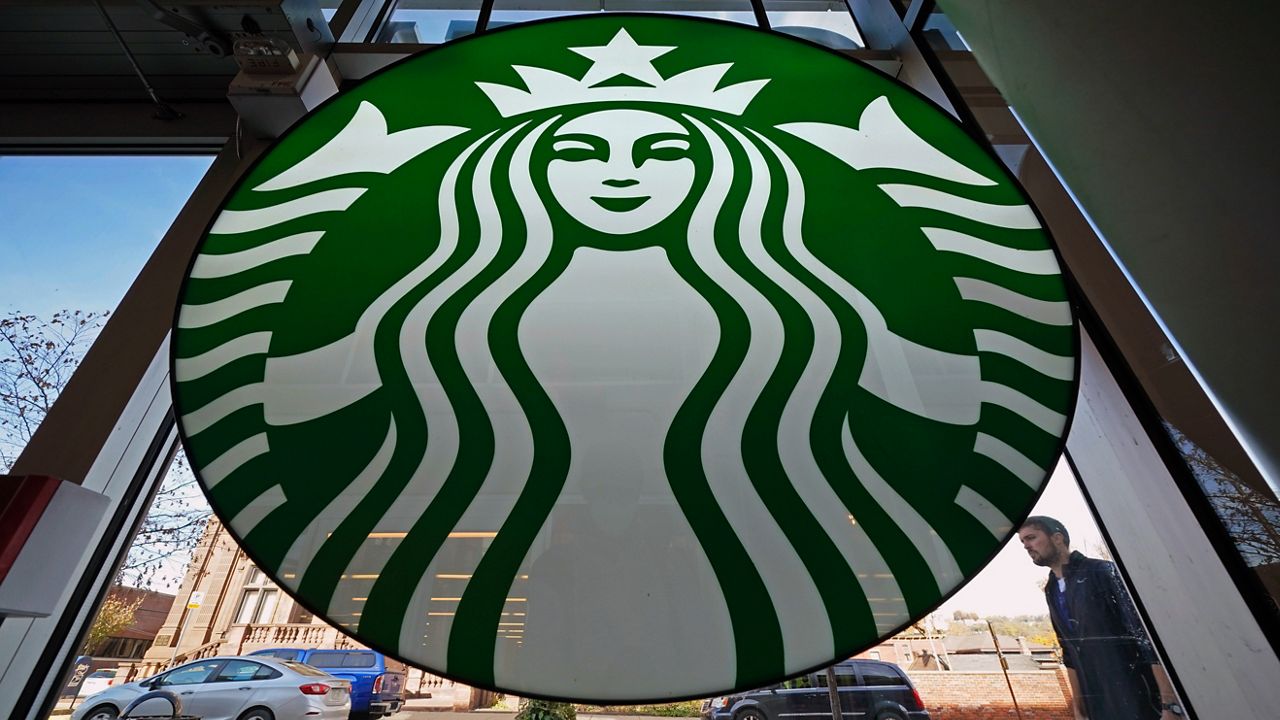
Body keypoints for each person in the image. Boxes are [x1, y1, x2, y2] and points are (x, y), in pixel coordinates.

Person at [1019, 516, 1184, 720]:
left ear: (1058, 538)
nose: (1026, 546)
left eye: (1031, 537)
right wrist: (1078, 708)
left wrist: (1170, 705)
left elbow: (1146, 638)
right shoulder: (1051, 589)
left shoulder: (1102, 572)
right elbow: (1069, 653)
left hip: (1140, 703)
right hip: (1099, 707)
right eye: (1023, 542)